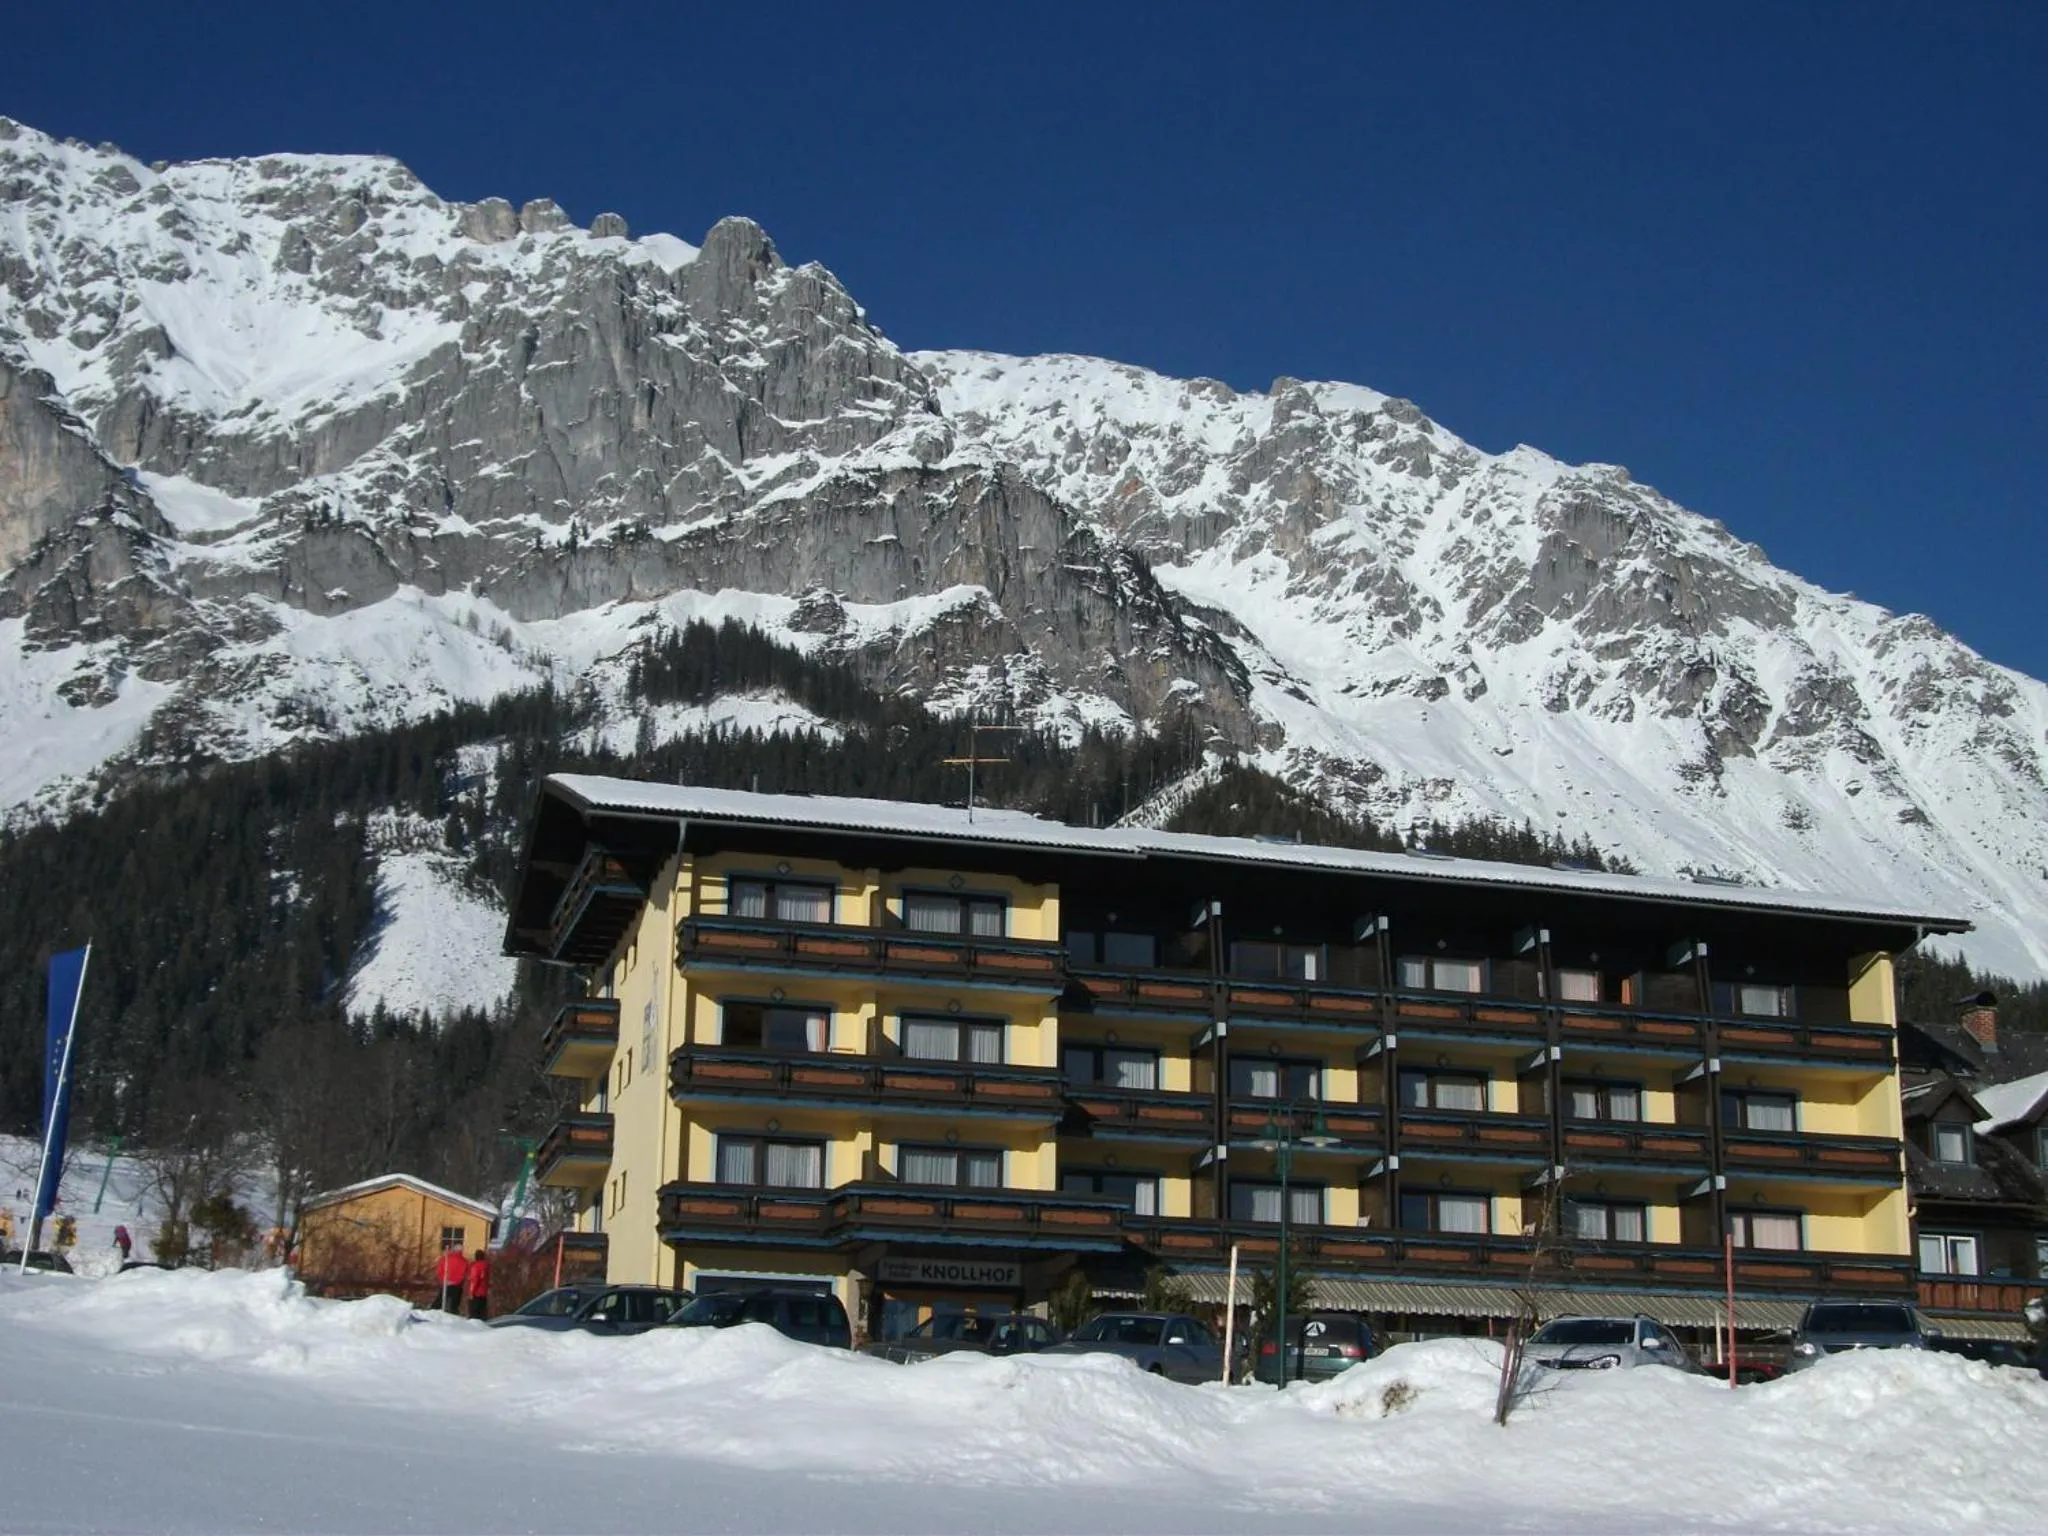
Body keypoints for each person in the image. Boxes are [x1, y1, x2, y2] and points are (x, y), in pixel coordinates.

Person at [436, 1243, 468, 1314]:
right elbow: (464, 1274)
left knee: (440, 1301)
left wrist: (442, 1279)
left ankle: (433, 1313)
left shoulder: (445, 1258)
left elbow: (439, 1270)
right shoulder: (464, 1261)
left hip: (445, 1283)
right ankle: (453, 1315)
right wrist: (457, 1281)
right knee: (454, 1305)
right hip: (457, 1285)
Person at [464, 1248, 491, 1321]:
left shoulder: (476, 1266)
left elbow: (474, 1280)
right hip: (483, 1292)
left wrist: (471, 1293)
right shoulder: (486, 1266)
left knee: (474, 1314)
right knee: (482, 1312)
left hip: (476, 1293)